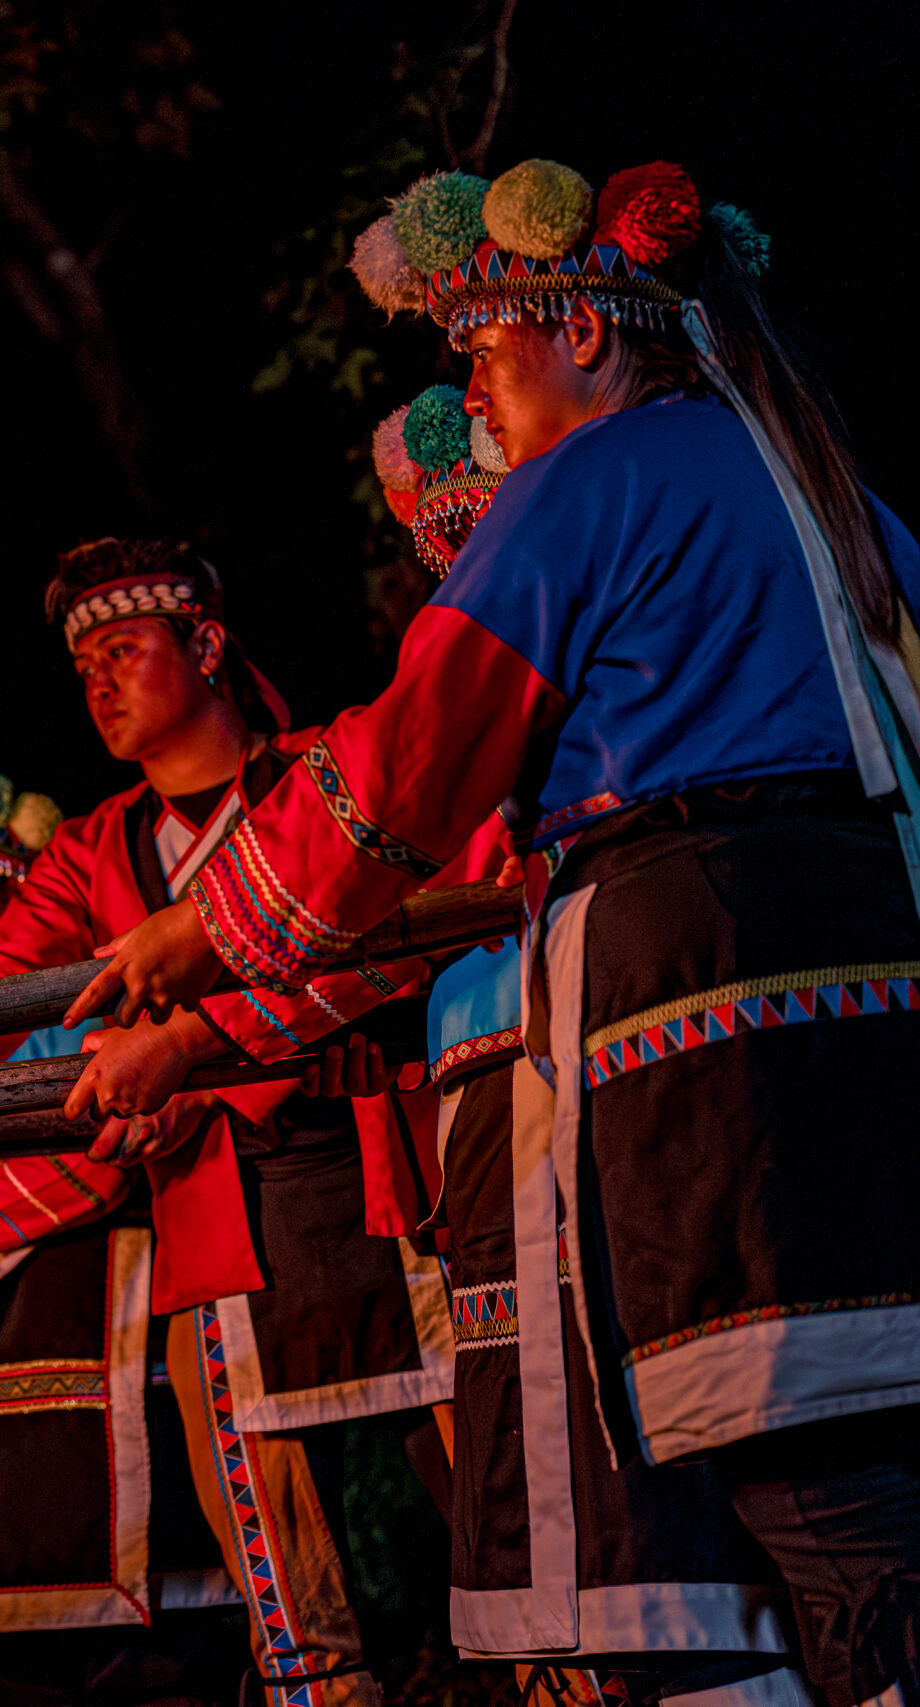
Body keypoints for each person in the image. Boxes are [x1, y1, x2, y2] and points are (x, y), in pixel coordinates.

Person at [73, 158, 920, 1707]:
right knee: (858, 1495)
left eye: (482, 348)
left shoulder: (590, 481)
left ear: (582, 329)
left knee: (801, 1503)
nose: (473, 392)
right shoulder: (829, 489)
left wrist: (213, 926)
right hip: (871, 991)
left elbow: (413, 759)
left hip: (701, 1006)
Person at [0, 544, 457, 1707]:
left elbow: (404, 932)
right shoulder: (93, 848)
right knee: (295, 1621)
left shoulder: (323, 771)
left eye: (121, 650)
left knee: (499, 1520)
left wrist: (192, 1045)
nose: (98, 683)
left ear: (207, 644)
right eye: (81, 666)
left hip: (387, 1194)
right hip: (221, 1224)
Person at [375, 385, 811, 1707]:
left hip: (624, 1065)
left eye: (484, 538)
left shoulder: (619, 688)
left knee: (689, 1507)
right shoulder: (456, 720)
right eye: (444, 549)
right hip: (499, 1113)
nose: (468, 571)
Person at [0, 763, 247, 1705]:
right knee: (6, 1672)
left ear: (24, 893)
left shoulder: (89, 1020)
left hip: (100, 1400)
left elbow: (99, 1166)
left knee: (150, 1673)